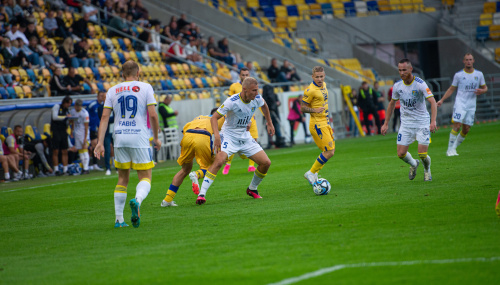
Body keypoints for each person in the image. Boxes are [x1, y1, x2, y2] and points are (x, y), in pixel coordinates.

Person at [94, 60, 161, 228]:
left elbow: (104, 118)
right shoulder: (145, 87)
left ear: (122, 74)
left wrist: (100, 142)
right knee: (145, 177)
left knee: (122, 178)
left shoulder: (112, 90)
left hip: (119, 137)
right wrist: (156, 137)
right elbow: (152, 115)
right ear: (138, 73)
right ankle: (137, 201)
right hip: (138, 137)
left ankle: (119, 219)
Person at [195, 77, 275, 205]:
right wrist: (216, 136)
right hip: (229, 136)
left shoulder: (257, 98)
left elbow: (264, 106)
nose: (256, 93)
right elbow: (214, 118)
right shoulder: (232, 101)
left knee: (266, 163)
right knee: (219, 161)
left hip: (245, 137)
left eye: (257, 90)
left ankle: (252, 189)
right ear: (245, 89)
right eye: (253, 90)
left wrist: (269, 123)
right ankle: (202, 194)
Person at [381, 59, 437, 182]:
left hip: (422, 122)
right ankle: (413, 164)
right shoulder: (397, 86)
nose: (402, 73)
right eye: (400, 70)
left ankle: (427, 170)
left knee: (422, 154)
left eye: (404, 70)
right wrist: (385, 124)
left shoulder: (420, 84)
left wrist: (433, 122)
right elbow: (391, 104)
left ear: (411, 69)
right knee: (400, 154)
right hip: (406, 124)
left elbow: (432, 102)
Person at [161, 108, 225, 206]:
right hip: (203, 136)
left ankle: (167, 199)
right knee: (210, 167)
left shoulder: (199, 117)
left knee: (185, 169)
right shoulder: (221, 118)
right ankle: (196, 174)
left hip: (187, 137)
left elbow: (184, 130)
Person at [436, 53, 488, 157]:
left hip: (471, 105)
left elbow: (485, 87)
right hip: (460, 103)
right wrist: (441, 100)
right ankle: (449, 150)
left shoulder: (479, 74)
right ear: (463, 61)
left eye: (470, 59)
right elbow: (451, 89)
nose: (468, 61)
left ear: (473, 61)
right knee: (457, 124)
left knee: (466, 129)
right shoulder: (459, 75)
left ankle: (453, 148)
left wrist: (482, 91)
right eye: (467, 60)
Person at [301, 66, 335, 186]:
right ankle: (311, 172)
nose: (319, 79)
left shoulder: (324, 85)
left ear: (324, 75)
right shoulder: (310, 90)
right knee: (329, 151)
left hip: (325, 122)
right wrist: (315, 109)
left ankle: (314, 173)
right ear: (312, 77)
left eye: (321, 76)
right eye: (317, 77)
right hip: (317, 124)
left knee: (330, 151)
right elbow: (303, 108)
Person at [222, 67, 259, 174]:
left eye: (247, 75)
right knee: (233, 141)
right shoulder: (234, 86)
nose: (245, 77)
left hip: (251, 118)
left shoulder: (253, 86)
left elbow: (257, 101)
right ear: (240, 75)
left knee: (254, 140)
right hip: (238, 120)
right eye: (243, 75)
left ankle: (251, 166)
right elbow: (228, 102)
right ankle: (228, 164)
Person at [51, 96, 72, 175]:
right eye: (68, 103)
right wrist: (65, 117)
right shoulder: (57, 107)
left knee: (65, 150)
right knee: (56, 150)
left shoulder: (67, 110)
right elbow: (54, 117)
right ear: (64, 102)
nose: (69, 105)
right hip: (56, 131)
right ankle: (56, 169)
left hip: (63, 131)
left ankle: (65, 169)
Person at [69, 99, 90, 175]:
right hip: (76, 134)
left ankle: (86, 168)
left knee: (85, 150)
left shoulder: (85, 113)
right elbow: (72, 122)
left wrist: (85, 138)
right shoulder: (72, 111)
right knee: (80, 151)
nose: (77, 107)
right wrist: (71, 132)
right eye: (76, 106)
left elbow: (86, 127)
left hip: (83, 133)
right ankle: (84, 168)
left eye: (79, 106)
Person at [262, 84, 285, 148]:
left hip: (275, 113)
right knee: (268, 128)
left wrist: (277, 103)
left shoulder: (275, 95)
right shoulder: (264, 97)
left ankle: (279, 141)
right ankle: (270, 142)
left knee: (277, 127)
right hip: (268, 114)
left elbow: (279, 102)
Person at [87, 91, 105, 171]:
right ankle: (93, 164)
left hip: (98, 128)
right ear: (97, 96)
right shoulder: (92, 105)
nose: (102, 97)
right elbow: (86, 114)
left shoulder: (103, 106)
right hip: (91, 128)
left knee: (95, 145)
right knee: (93, 145)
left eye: (103, 96)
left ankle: (93, 164)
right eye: (100, 96)